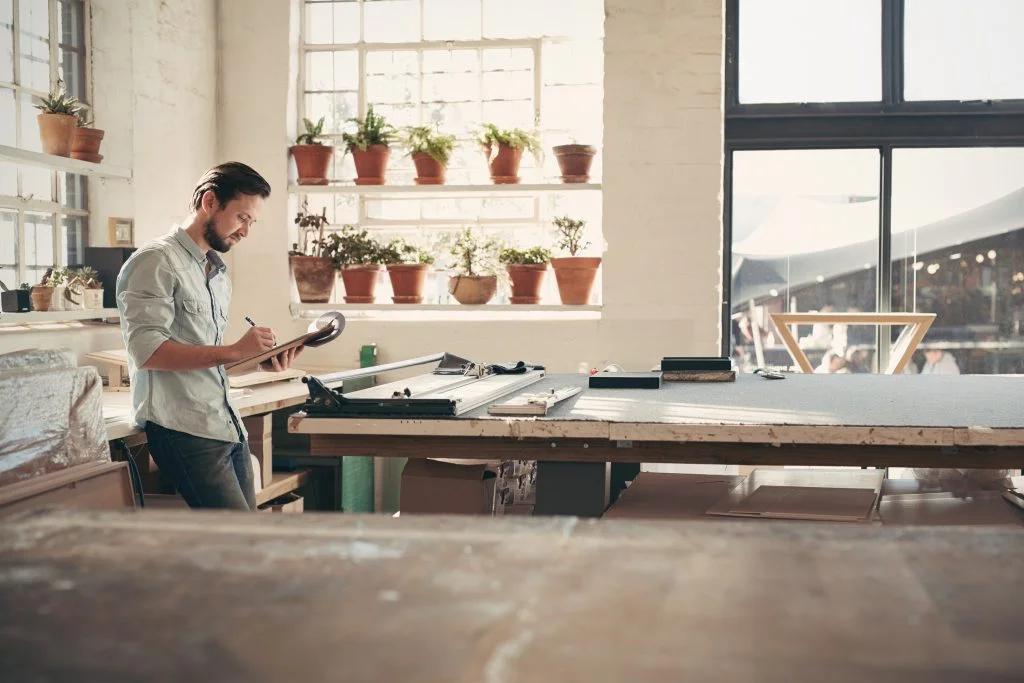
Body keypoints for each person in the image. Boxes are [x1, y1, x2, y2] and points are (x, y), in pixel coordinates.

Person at [116, 162, 300, 510]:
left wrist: (259, 363)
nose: (246, 231)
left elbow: (210, 365)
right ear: (210, 202)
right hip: (183, 430)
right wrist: (232, 350)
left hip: (225, 425)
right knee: (237, 544)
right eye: (242, 217)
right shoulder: (155, 262)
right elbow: (148, 351)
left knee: (246, 543)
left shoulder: (215, 270)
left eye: (252, 222)